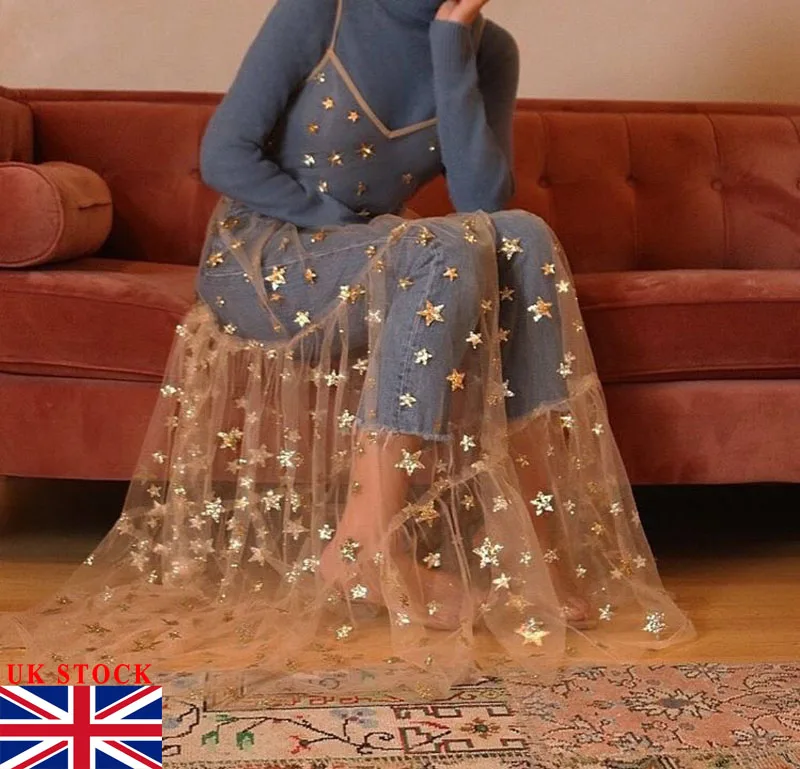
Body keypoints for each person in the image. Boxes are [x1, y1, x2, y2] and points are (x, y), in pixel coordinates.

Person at [1, 0, 694, 701]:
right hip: (263, 253)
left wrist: (451, 44)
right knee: (442, 249)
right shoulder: (321, 11)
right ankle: (364, 545)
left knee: (524, 235)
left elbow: (482, 198)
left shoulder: (489, 50)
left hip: (371, 253)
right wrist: (346, 227)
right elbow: (224, 155)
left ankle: (538, 541)